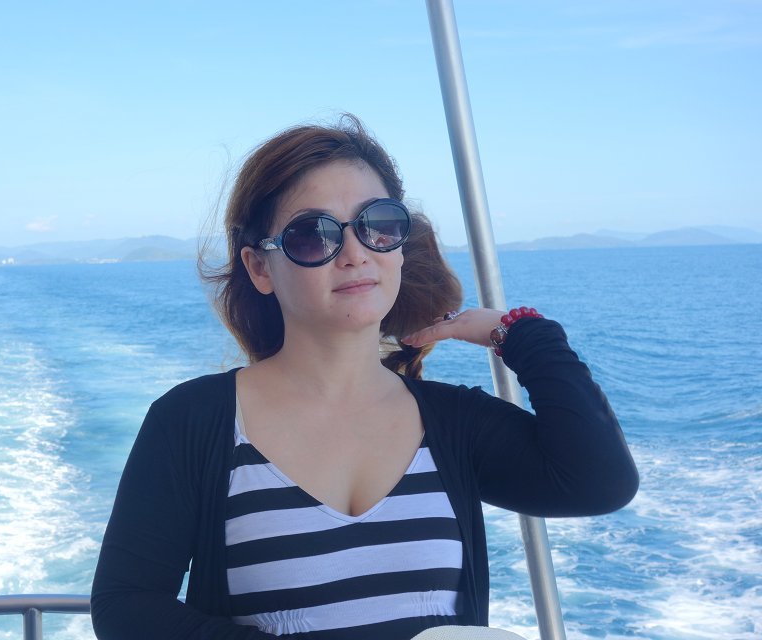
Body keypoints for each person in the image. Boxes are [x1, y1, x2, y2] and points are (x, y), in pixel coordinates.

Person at [91, 115, 639, 639]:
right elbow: (126, 605)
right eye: (313, 235)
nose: (354, 253)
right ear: (260, 268)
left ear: (399, 246)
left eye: (378, 225)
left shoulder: (453, 423)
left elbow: (598, 481)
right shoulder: (194, 421)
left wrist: (521, 333)